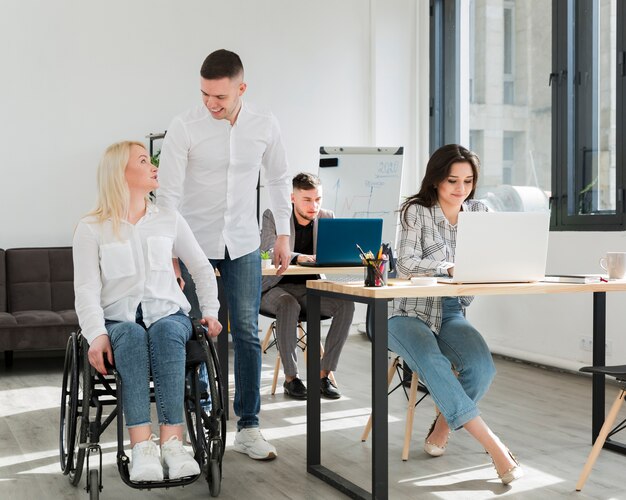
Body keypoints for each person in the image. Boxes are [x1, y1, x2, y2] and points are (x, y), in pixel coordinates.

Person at [157, 49, 292, 460]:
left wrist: (284, 233)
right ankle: (201, 421)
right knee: (197, 332)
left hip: (244, 244)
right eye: (205, 95)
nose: (211, 104)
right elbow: (169, 194)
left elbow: (278, 177)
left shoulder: (264, 124)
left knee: (247, 334)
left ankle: (249, 427)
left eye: (220, 97)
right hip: (193, 243)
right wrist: (169, 250)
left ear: (241, 88)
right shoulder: (185, 126)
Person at [73, 141, 222, 482]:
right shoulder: (91, 228)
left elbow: (200, 268)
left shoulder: (168, 218)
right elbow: (86, 289)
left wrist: (210, 310)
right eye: (144, 160)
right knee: (130, 333)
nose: (154, 165)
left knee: (167, 330)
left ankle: (173, 444)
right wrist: (96, 335)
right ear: (121, 174)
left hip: (168, 316)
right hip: (119, 321)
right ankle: (141, 448)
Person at [387, 144, 523, 484]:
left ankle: (444, 424)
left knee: (481, 367)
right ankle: (495, 447)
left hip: (450, 309)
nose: (460, 189)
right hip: (407, 310)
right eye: (452, 180)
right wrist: (446, 266)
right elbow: (404, 264)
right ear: (435, 180)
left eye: (468, 181)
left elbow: (490, 258)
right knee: (432, 361)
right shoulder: (415, 210)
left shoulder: (480, 211)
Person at [260, 173, 354, 400]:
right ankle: (291, 379)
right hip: (274, 288)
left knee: (346, 305)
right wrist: (298, 257)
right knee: (287, 304)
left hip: (311, 289)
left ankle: (323, 375)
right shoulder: (274, 216)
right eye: (307, 200)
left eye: (318, 199)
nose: (314, 206)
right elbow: (268, 250)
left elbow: (334, 255)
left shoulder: (327, 217)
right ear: (292, 198)